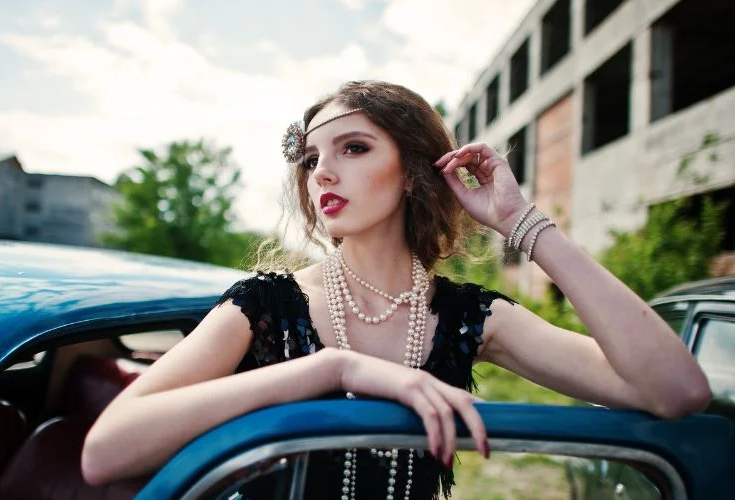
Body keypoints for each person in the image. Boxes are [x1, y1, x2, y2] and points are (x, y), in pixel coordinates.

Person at [81, 81, 711, 498]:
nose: (322, 170)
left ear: (412, 173)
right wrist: (330, 370)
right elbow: (105, 453)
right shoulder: (264, 307)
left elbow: (676, 391)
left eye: (353, 148)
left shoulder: (469, 316)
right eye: (309, 159)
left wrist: (523, 224)